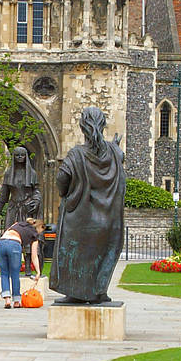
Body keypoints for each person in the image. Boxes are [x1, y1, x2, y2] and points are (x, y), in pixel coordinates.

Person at [49, 106, 125, 304]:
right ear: (103, 125)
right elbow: (119, 156)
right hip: (108, 220)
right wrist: (115, 146)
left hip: (80, 219)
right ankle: (99, 292)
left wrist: (65, 193)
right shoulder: (113, 152)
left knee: (78, 256)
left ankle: (76, 292)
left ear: (83, 126)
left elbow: (62, 179)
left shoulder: (77, 154)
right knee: (101, 254)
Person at [0, 217, 43, 308]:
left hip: (0, 244)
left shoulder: (17, 224)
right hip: (14, 245)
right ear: (39, 228)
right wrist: (38, 272)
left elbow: (7, 230)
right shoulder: (34, 234)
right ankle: (16, 301)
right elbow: (34, 256)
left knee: (4, 273)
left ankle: (7, 300)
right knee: (15, 274)